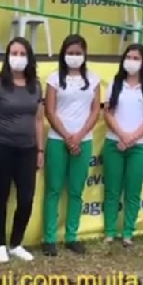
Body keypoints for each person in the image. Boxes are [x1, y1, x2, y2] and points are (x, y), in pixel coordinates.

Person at [0, 37, 44, 263]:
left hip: (28, 149)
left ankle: (16, 243)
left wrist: (40, 150)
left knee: (26, 198)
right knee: (1, 196)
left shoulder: (35, 86)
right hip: (0, 146)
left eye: (22, 54)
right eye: (14, 53)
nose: (18, 58)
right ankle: (0, 245)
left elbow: (38, 120)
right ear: (7, 57)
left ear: (29, 58)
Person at [42, 34, 101, 256]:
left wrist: (79, 136)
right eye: (70, 53)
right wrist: (67, 136)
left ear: (85, 55)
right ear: (63, 54)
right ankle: (49, 238)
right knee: (53, 189)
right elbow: (50, 111)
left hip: (83, 141)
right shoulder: (54, 78)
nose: (74, 57)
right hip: (58, 140)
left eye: (78, 53)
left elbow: (95, 111)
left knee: (76, 190)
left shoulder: (93, 79)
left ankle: (71, 236)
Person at [102, 44, 143, 248]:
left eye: (136, 58)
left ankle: (128, 232)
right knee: (112, 190)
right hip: (114, 144)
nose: (131, 62)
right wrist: (122, 135)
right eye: (129, 57)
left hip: (139, 147)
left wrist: (132, 138)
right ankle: (110, 232)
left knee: (133, 191)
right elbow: (107, 113)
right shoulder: (115, 84)